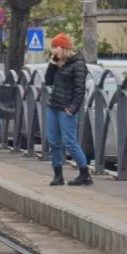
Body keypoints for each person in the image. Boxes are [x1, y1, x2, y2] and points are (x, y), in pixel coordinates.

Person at [43, 33, 92, 186]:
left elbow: (80, 89)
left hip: (67, 108)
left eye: (56, 47)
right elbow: (48, 81)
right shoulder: (59, 62)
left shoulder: (78, 64)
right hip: (54, 105)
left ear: (64, 48)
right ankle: (58, 175)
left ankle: (85, 174)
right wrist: (52, 64)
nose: (54, 51)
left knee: (69, 142)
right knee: (53, 141)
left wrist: (73, 108)